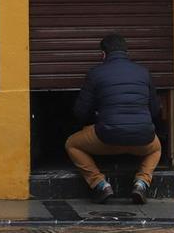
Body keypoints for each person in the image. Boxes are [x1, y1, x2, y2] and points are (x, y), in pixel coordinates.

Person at [64, 33, 162, 204]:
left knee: (71, 144)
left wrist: (93, 120)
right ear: (126, 52)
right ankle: (141, 183)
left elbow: (80, 112)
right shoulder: (143, 72)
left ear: (103, 54)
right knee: (156, 149)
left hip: (106, 138)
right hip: (142, 139)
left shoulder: (96, 73)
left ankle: (100, 184)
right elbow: (155, 110)